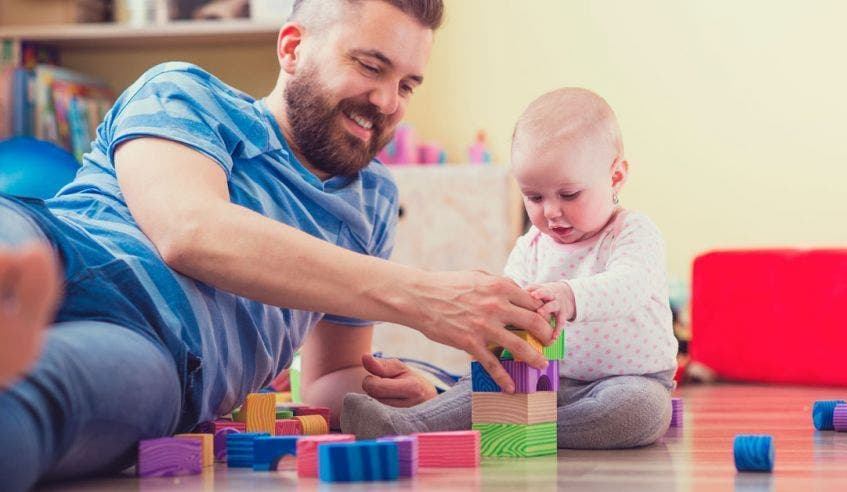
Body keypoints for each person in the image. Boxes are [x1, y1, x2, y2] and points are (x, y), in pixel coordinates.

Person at [0, 0, 554, 489]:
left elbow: (326, 378)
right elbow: (189, 231)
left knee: (41, 401)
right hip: (62, 243)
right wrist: (423, 296)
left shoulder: (372, 201)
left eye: (407, 85)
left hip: (162, 355)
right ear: (292, 48)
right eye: (370, 66)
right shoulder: (185, 92)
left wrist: (412, 391)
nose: (387, 101)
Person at [342, 87, 679, 449]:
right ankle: (409, 424)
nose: (550, 212)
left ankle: (518, 428)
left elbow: (630, 285)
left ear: (615, 177)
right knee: (485, 381)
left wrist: (569, 295)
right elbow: (507, 301)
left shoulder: (632, 232)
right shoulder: (531, 244)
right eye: (534, 197)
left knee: (638, 412)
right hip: (541, 377)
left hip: (627, 380)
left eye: (569, 194)